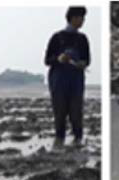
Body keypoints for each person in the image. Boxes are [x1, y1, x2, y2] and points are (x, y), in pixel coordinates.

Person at [44, 6, 90, 147]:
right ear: (73, 18)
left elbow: (87, 60)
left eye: (83, 18)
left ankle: (78, 139)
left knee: (76, 112)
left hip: (76, 80)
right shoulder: (57, 38)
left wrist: (82, 63)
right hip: (59, 80)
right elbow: (47, 60)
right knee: (60, 112)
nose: (83, 21)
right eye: (81, 18)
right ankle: (59, 140)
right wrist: (58, 59)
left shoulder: (82, 39)